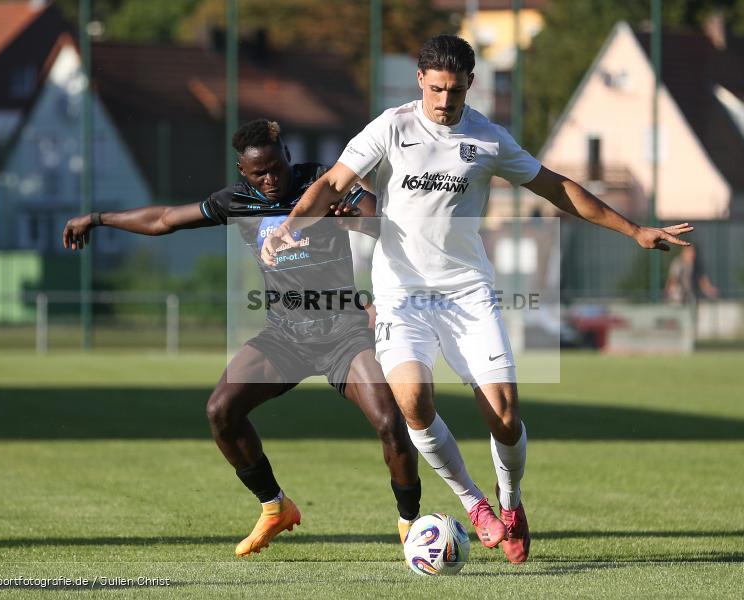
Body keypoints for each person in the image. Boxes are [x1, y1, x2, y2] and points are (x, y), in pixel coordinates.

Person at [261, 35, 693, 564]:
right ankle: (474, 503)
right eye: (437, 89)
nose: (445, 101)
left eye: (456, 90)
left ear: (471, 83)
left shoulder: (488, 139)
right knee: (413, 400)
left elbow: (558, 188)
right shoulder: (391, 128)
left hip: (467, 292)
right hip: (401, 294)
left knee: (505, 415)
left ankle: (511, 504)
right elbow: (333, 183)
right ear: (420, 80)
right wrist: (291, 226)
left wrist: (634, 230)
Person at [62, 119, 421, 556]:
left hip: (343, 332)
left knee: (389, 422)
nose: (270, 179)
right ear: (242, 171)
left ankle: (410, 525)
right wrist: (97, 219)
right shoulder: (237, 200)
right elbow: (164, 219)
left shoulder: (322, 182)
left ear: (287, 154)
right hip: (285, 336)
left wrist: (355, 221)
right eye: (258, 173)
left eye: (275, 167)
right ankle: (275, 506)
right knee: (221, 411)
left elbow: (382, 223)